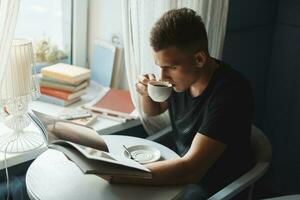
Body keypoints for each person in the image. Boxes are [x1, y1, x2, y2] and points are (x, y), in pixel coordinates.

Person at [108, 8, 254, 199]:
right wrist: (145, 93)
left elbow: (191, 171)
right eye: (160, 67)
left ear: (199, 59)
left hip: (214, 185)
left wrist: (118, 174)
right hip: (183, 166)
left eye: (170, 67)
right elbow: (155, 110)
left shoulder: (230, 93)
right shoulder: (183, 79)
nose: (163, 77)